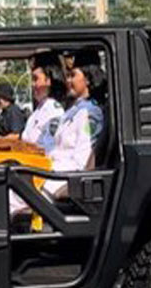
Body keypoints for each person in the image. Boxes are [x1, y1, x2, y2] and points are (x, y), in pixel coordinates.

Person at [44, 50, 106, 197]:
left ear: (88, 79)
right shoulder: (73, 110)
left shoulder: (91, 113)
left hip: (63, 178)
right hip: (52, 171)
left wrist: (48, 168)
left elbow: (81, 163)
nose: (68, 81)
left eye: (73, 76)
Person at [21, 52, 65, 153]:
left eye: (36, 79)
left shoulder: (54, 110)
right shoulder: (41, 108)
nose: (32, 84)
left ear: (48, 81)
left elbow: (48, 149)